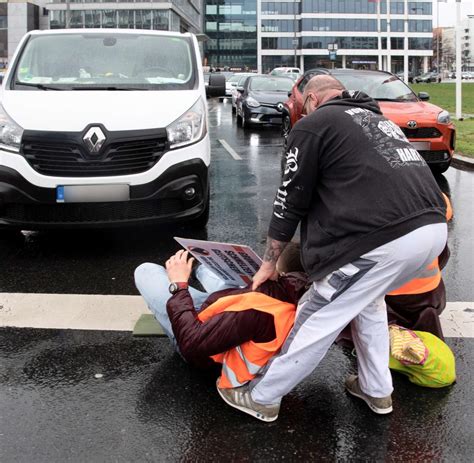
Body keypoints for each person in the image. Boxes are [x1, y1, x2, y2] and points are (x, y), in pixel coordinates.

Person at [216, 75, 448, 421]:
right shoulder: (377, 121)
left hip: (384, 240)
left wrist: (270, 261)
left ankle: (263, 396)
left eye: (295, 104)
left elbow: (289, 200)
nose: (294, 112)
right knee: (368, 303)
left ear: (310, 100)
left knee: (317, 310)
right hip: (431, 230)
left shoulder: (314, 124)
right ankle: (376, 390)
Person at [134, 250, 308, 380]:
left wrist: (179, 286)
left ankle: (186, 283)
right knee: (207, 269)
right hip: (229, 312)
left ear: (281, 274)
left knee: (145, 270)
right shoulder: (304, 295)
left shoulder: (257, 309)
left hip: (202, 335)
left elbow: (192, 343)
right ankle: (199, 269)